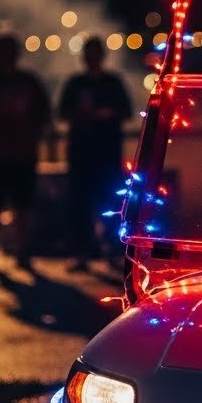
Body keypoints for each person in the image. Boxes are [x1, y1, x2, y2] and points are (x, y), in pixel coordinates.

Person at [0, 32, 51, 271]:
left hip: (22, 153)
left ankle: (22, 251)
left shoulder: (28, 82)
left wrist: (31, 132)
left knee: (23, 206)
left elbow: (44, 114)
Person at [57, 36, 132, 268]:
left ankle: (112, 250)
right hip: (81, 153)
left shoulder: (112, 83)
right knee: (80, 204)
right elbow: (62, 111)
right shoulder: (75, 83)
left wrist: (106, 113)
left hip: (107, 153)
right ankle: (81, 253)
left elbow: (126, 110)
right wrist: (81, 113)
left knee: (110, 203)